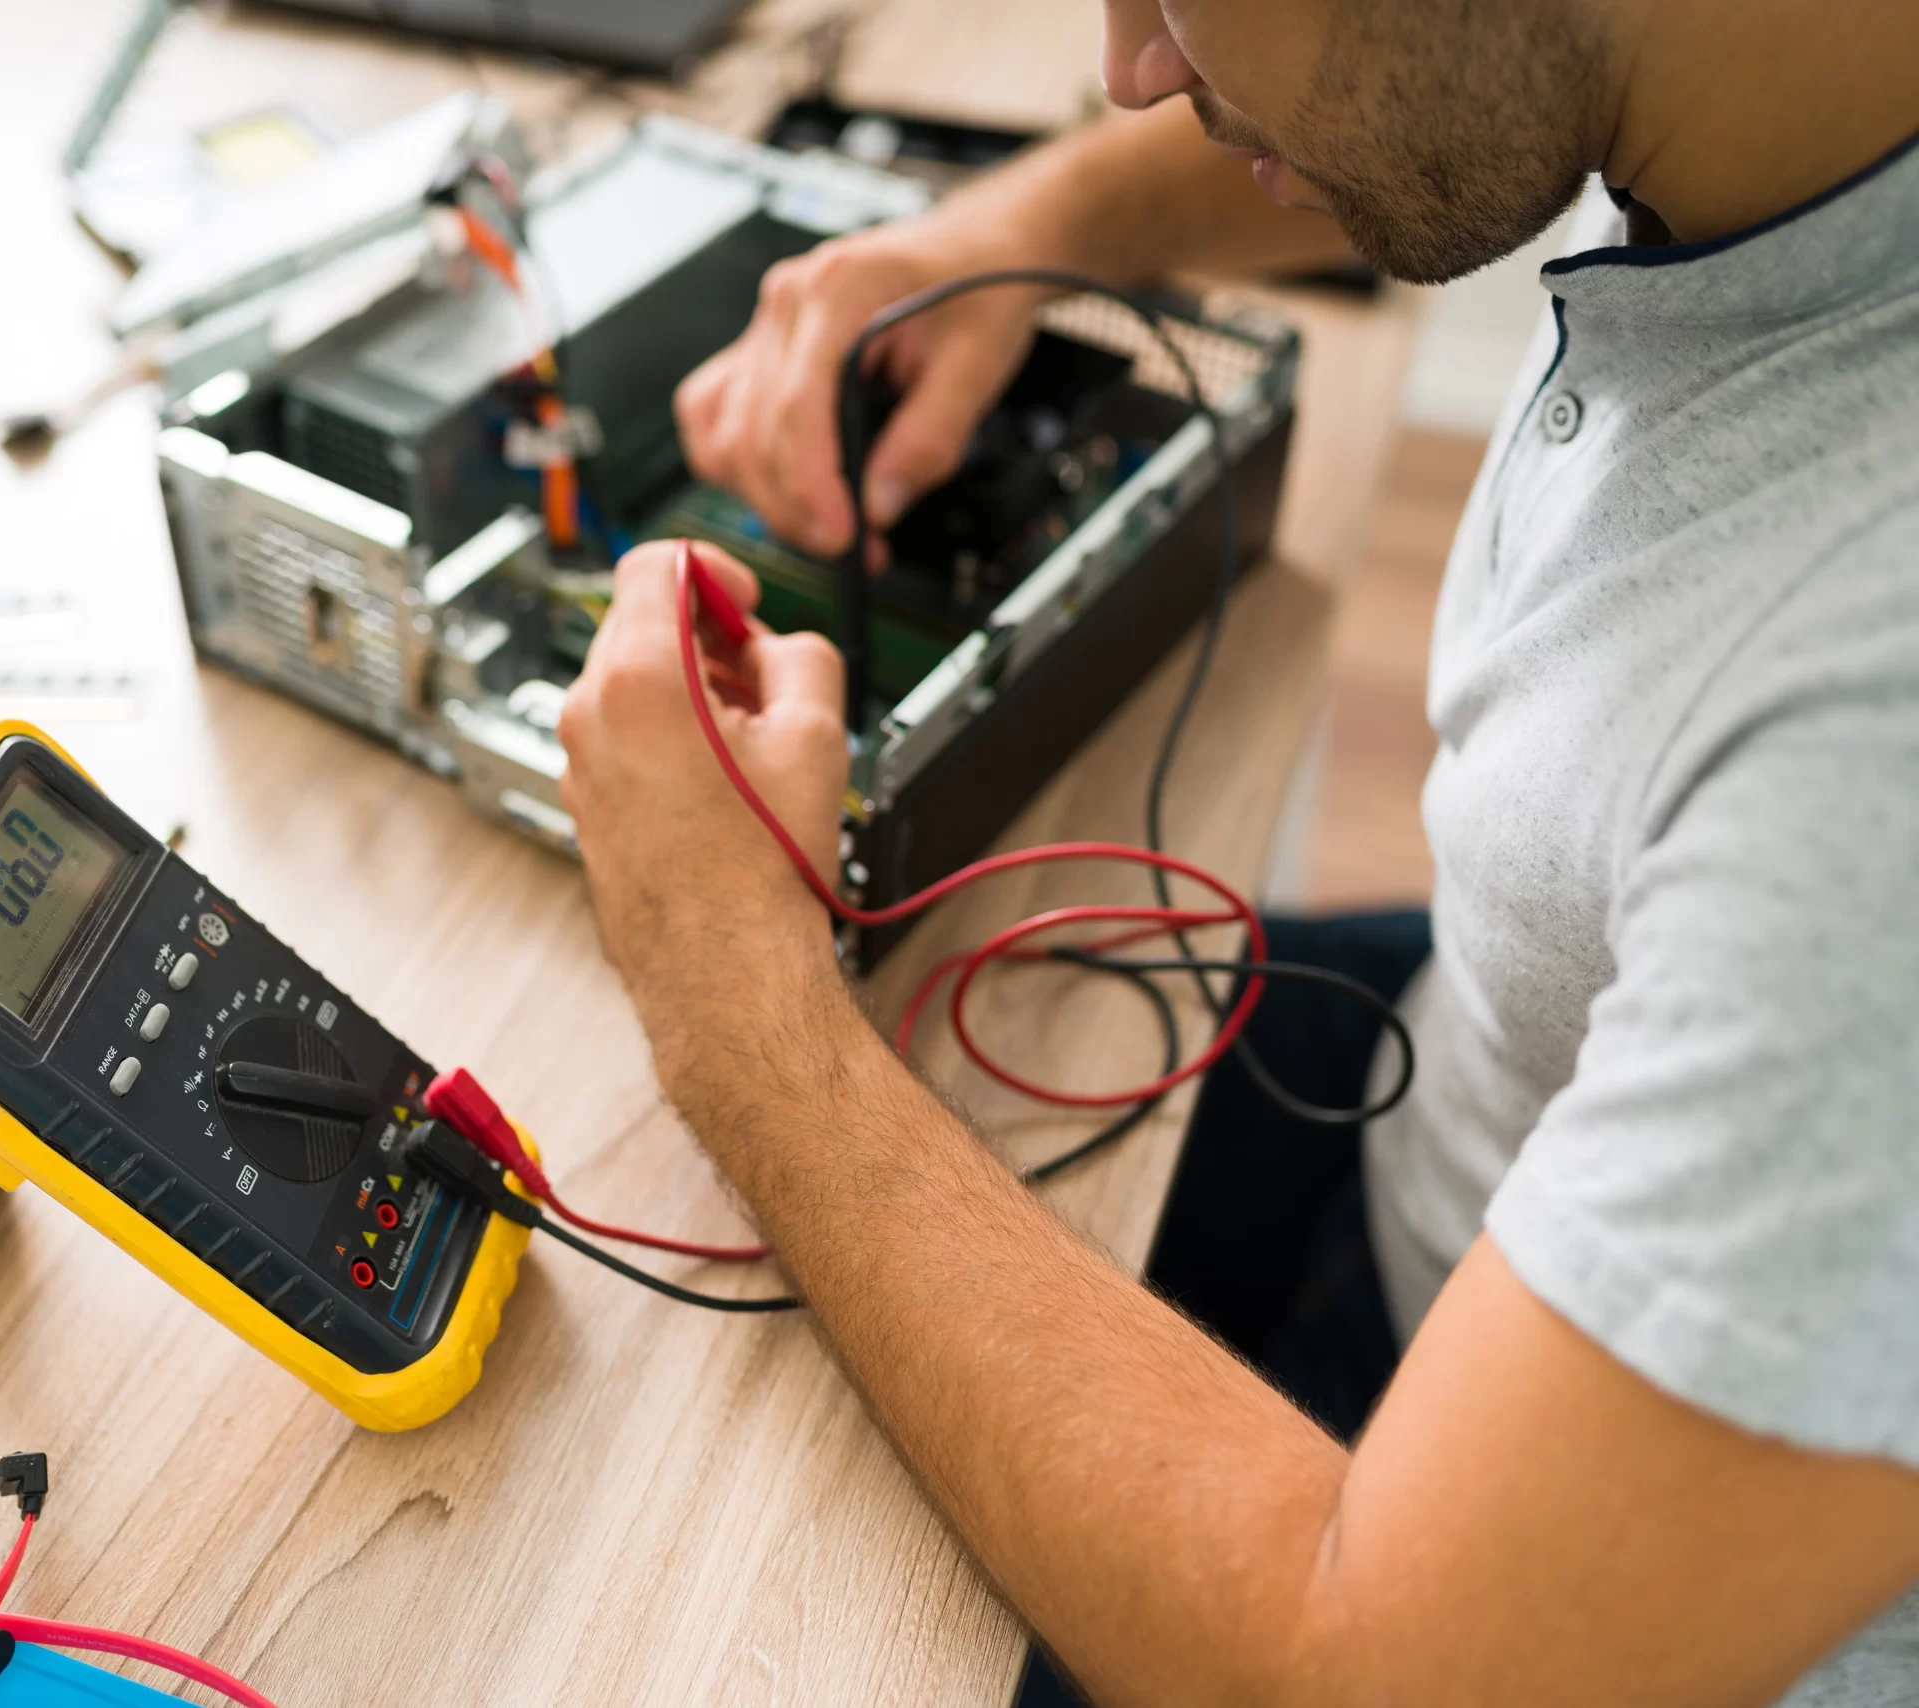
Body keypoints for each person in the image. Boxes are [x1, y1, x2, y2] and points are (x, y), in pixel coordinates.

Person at [552, 0, 1919, 1702]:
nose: (1132, 62)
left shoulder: (1875, 775)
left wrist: (733, 1002)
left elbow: (1364, 1666)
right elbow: (1442, 77)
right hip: (1479, 1095)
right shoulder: (1774, 89)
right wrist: (1015, 232)